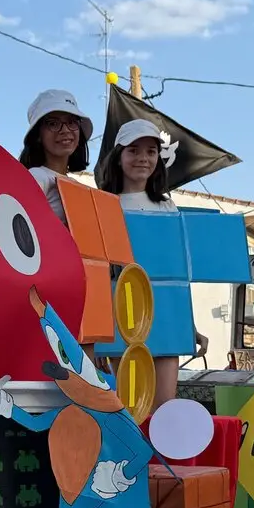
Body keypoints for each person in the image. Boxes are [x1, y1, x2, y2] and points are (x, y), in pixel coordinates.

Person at [100, 118, 208, 413]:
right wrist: (99, 335)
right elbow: (98, 273)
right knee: (130, 409)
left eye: (150, 151)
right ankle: (133, 461)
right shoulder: (103, 205)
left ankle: (162, 461)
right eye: (134, 150)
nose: (143, 159)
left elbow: (177, 275)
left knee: (166, 409)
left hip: (166, 321)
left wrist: (189, 326)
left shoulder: (167, 206)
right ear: (119, 157)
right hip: (123, 319)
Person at [18, 89, 93, 225]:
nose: (65, 130)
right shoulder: (37, 176)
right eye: (53, 123)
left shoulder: (78, 186)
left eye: (71, 122)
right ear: (38, 135)